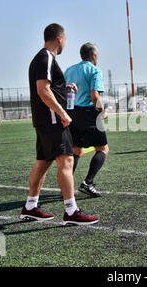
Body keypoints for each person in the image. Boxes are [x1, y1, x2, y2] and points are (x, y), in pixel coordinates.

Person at [22, 23, 98, 225]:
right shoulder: (46, 57)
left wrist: (64, 89)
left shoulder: (43, 58)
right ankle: (71, 211)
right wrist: (63, 112)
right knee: (67, 160)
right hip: (52, 119)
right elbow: (43, 90)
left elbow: (49, 88)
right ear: (59, 39)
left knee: (43, 162)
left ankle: (30, 206)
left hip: (44, 120)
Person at [64, 43, 109, 198]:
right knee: (102, 148)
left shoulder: (69, 70)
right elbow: (94, 95)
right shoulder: (95, 71)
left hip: (72, 113)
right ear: (94, 56)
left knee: (76, 150)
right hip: (89, 113)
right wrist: (102, 112)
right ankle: (88, 183)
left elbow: (64, 91)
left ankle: (66, 185)